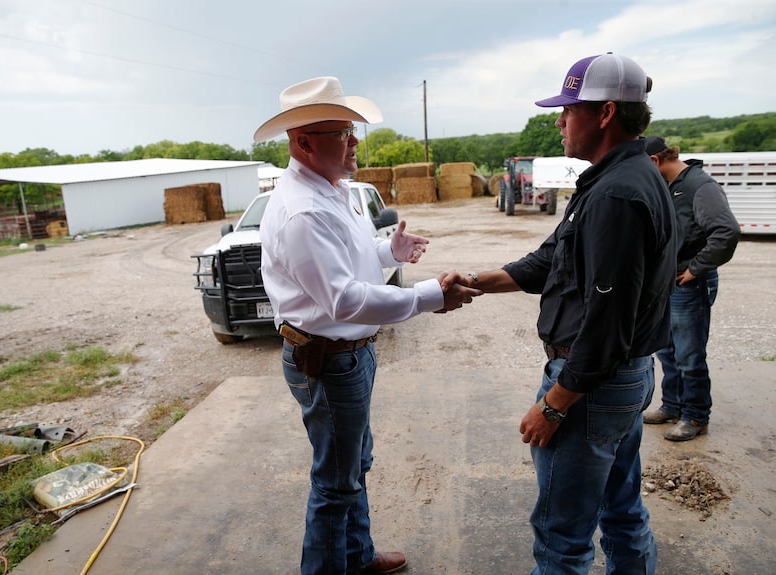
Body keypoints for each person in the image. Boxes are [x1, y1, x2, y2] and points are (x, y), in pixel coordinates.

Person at [443, 53, 677, 574]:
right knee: (621, 512)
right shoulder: (620, 178)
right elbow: (552, 259)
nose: (559, 120)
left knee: (561, 540)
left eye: (570, 109)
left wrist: (554, 404)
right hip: (623, 377)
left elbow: (606, 321)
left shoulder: (617, 194)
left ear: (606, 113)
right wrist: (476, 281)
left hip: (593, 385)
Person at [255, 76, 482, 575]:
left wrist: (387, 252)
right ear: (303, 142)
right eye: (343, 132)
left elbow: (344, 263)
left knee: (353, 467)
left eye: (353, 130)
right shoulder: (303, 211)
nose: (355, 141)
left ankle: (355, 555)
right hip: (329, 359)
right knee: (336, 482)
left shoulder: (333, 190)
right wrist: (429, 296)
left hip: (345, 356)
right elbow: (343, 299)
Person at [642, 137, 740, 441]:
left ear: (656, 161)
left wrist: (696, 268)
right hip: (667, 283)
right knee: (667, 350)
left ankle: (696, 416)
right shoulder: (668, 187)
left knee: (689, 354)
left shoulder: (700, 186)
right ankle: (672, 406)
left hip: (691, 284)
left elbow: (726, 231)